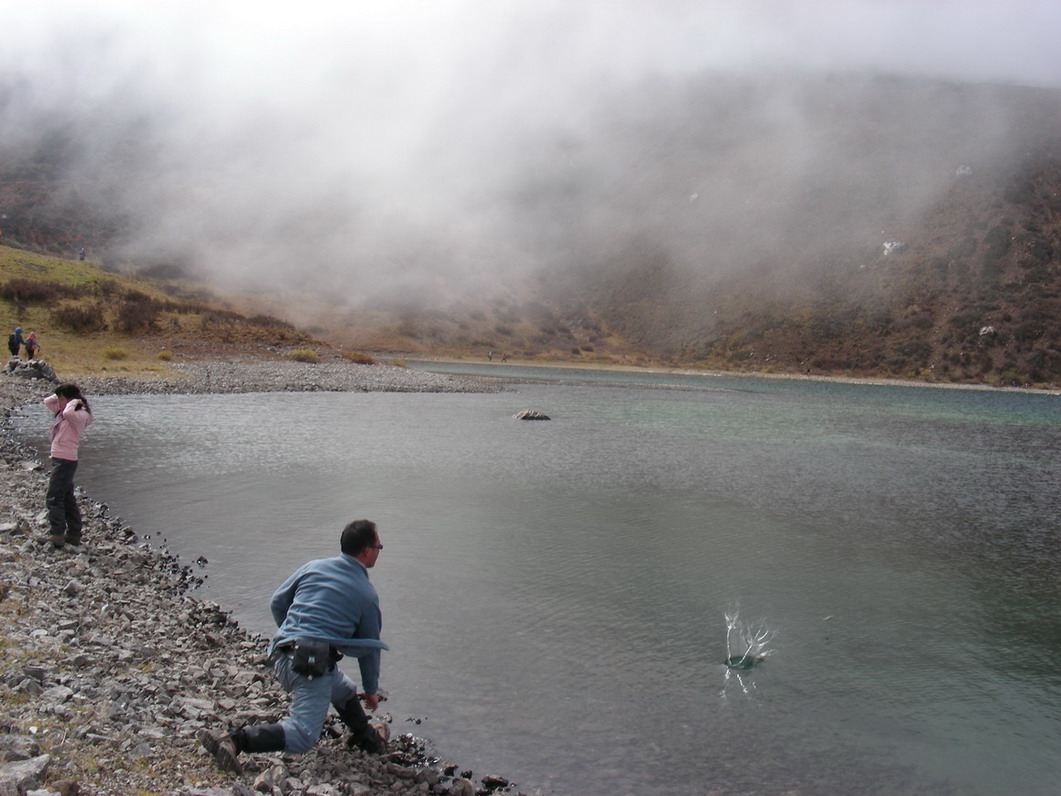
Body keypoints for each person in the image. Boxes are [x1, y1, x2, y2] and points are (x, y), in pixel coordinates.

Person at [200, 519, 390, 773]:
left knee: (344, 688)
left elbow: (277, 602)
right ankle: (235, 739)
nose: (379, 551)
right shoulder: (366, 594)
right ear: (367, 550)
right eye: (379, 546)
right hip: (309, 667)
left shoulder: (314, 567)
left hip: (279, 655)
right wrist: (371, 689)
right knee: (303, 735)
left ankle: (366, 738)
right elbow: (369, 648)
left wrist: (292, 635)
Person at [43, 384, 94, 548]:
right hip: (60, 458)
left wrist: (75, 400)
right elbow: (47, 402)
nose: (59, 402)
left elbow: (67, 412)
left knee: (54, 497)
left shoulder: (79, 415)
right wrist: (58, 395)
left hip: (65, 460)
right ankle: (73, 533)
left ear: (71, 400)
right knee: (67, 497)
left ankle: (57, 534)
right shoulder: (63, 412)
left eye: (62, 399)